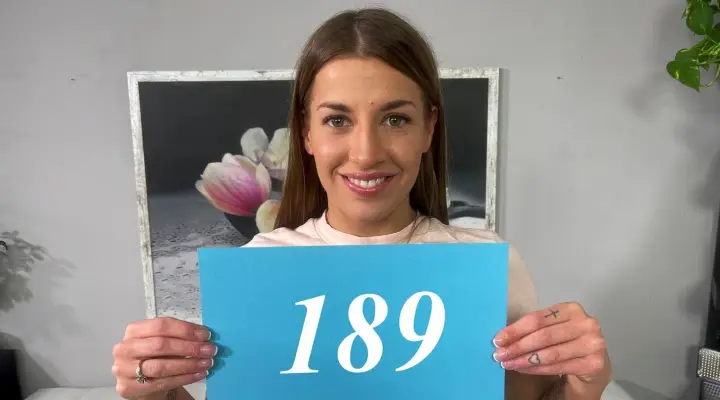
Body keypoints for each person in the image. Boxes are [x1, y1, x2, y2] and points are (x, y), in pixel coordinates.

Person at [112, 7, 612, 400]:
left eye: (395, 119)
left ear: (429, 128)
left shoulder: (489, 265)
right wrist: (157, 392)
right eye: (337, 120)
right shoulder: (260, 265)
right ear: (305, 133)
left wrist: (584, 385)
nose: (367, 153)